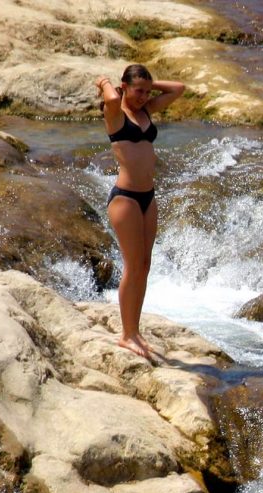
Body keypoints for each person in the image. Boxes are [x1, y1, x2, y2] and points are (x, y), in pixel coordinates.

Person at [95, 65, 184, 361]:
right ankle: (126, 334)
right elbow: (109, 100)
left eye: (147, 91)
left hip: (148, 197)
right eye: (139, 90)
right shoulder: (116, 114)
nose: (145, 96)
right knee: (133, 266)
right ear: (124, 87)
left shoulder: (146, 110)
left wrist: (147, 83)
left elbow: (178, 89)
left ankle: (135, 330)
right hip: (126, 199)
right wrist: (106, 83)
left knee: (145, 265)